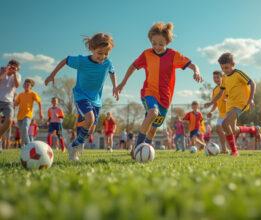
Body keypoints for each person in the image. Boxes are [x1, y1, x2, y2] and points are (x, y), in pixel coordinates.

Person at [115, 22, 202, 158]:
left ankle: (146, 149)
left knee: (154, 128)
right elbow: (133, 66)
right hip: (148, 92)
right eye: (154, 43)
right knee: (152, 112)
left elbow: (192, 64)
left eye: (161, 44)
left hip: (165, 99)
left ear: (167, 42)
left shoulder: (173, 55)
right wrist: (122, 83)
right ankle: (137, 148)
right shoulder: (146, 54)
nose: (157, 47)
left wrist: (196, 71)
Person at [45, 33, 119, 161]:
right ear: (92, 48)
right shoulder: (82, 61)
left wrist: (115, 86)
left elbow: (112, 72)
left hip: (96, 99)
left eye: (106, 53)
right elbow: (65, 60)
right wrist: (52, 74)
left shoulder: (107, 63)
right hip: (81, 95)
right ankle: (74, 145)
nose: (103, 57)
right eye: (99, 53)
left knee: (91, 129)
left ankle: (80, 141)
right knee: (89, 118)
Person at [205, 53, 255, 157]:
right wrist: (211, 102)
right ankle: (252, 129)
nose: (225, 70)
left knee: (224, 124)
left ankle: (234, 151)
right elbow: (220, 93)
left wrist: (251, 99)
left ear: (233, 64)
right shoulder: (224, 77)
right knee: (234, 129)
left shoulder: (238, 74)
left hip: (241, 104)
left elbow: (252, 83)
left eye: (227, 67)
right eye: (222, 68)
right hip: (230, 105)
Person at [15, 79, 43, 146]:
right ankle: (28, 145)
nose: (26, 85)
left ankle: (24, 144)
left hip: (28, 114)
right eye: (25, 84)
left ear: (31, 86)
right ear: (23, 85)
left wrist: (40, 112)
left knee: (25, 128)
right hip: (19, 116)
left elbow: (39, 102)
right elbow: (16, 104)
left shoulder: (33, 94)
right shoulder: (20, 95)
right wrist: (13, 100)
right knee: (23, 132)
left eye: (28, 85)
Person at [0, 60, 21, 148]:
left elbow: (17, 85)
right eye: (11, 66)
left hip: (8, 102)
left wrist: (15, 73)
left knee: (9, 121)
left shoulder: (18, 75)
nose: (12, 68)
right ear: (8, 65)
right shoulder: (2, 70)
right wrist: (5, 71)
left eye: (15, 67)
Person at [207, 70, 228, 154]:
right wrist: (211, 111)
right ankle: (224, 149)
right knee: (219, 130)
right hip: (221, 113)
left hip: (229, 112)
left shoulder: (226, 86)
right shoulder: (214, 90)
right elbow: (215, 103)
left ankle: (231, 148)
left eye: (217, 77)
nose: (216, 79)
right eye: (214, 78)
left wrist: (228, 99)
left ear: (221, 77)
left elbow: (230, 96)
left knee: (230, 130)